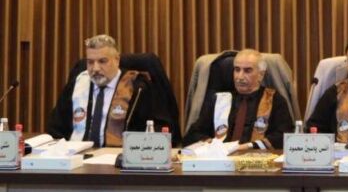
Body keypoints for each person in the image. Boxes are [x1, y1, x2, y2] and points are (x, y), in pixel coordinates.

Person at [46, 34, 178, 147]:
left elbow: (158, 129)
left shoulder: (137, 88)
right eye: (90, 62)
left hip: (118, 160)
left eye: (102, 61)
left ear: (117, 60)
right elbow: (55, 129)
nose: (95, 68)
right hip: (77, 159)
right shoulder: (78, 84)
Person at [183, 48, 290, 149]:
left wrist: (249, 146)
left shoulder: (273, 99)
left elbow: (284, 136)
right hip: (221, 157)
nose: (240, 77)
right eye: (237, 70)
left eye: (247, 71)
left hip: (256, 157)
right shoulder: (218, 100)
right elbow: (193, 134)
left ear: (261, 75)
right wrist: (211, 144)